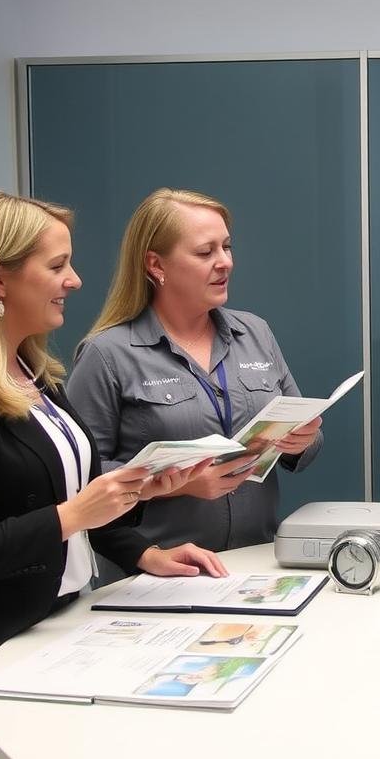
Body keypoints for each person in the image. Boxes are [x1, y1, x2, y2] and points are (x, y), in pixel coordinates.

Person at [0, 191, 224, 759]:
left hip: (46, 635)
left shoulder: (31, 368)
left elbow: (59, 496)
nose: (76, 280)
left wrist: (140, 549)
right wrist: (73, 514)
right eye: (57, 266)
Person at [68, 188, 322, 552]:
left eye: (227, 247)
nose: (225, 262)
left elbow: (308, 446)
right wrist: (179, 483)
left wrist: (303, 441)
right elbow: (81, 481)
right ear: (156, 265)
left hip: (257, 563)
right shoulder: (107, 354)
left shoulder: (255, 332)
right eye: (205, 252)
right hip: (158, 576)